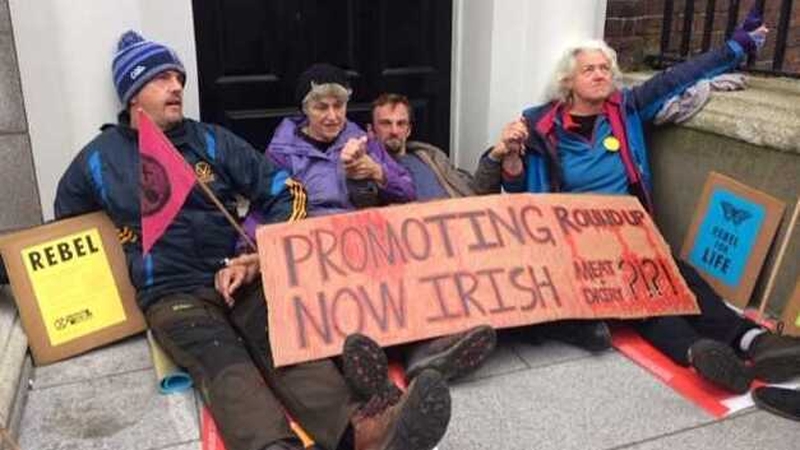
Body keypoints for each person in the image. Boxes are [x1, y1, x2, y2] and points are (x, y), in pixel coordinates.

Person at [55, 31, 450, 450]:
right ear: (133, 94)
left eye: (178, 79)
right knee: (224, 362)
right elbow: (61, 238)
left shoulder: (210, 139)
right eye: (161, 79)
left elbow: (285, 192)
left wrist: (259, 257)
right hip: (171, 292)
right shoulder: (97, 160)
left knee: (288, 339)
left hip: (238, 270)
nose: (176, 87)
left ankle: (361, 434)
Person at [494, 8, 800, 394]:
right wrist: (510, 157)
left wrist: (734, 48)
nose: (601, 74)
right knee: (640, 295)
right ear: (567, 81)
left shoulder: (624, 110)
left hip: (631, 230)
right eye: (590, 69)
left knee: (678, 274)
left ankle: (752, 340)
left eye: (606, 68)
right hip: (577, 245)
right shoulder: (539, 128)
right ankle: (699, 352)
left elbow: (677, 78)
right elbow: (519, 195)